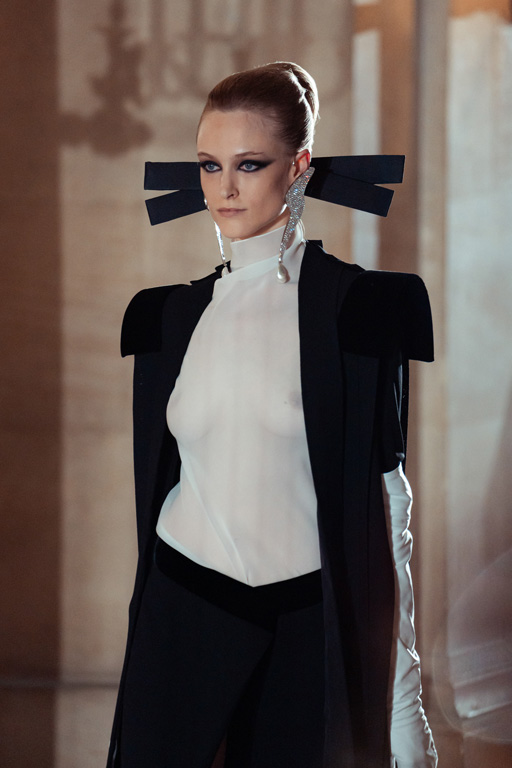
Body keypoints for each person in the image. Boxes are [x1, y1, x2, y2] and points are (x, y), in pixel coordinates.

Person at [107, 62, 438, 768]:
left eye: (249, 164)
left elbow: (389, 505)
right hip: (181, 606)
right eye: (209, 165)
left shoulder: (359, 311)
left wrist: (404, 699)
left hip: (305, 621)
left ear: (299, 166)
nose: (224, 188)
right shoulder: (169, 318)